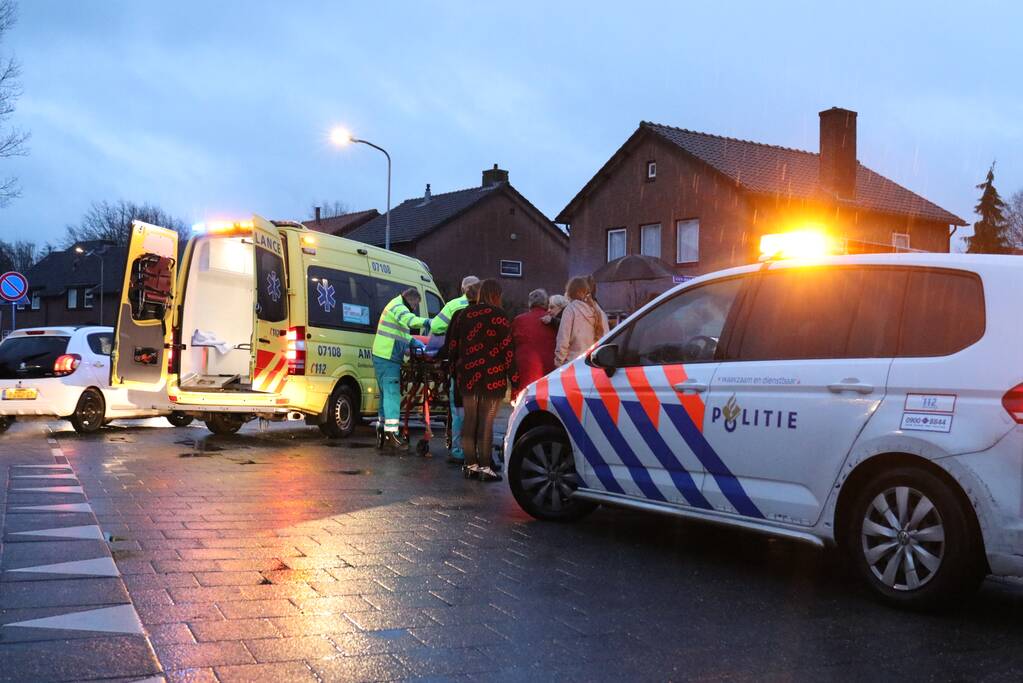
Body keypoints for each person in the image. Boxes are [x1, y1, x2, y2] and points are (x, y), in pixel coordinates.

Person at [447, 279, 516, 482]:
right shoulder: (499, 316)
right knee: (486, 421)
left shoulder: (464, 315)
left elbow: (453, 345)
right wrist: (515, 378)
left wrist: (454, 370)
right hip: (492, 376)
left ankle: (470, 466)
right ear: (496, 295)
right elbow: (508, 350)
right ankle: (485, 468)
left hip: (468, 375)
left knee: (470, 420)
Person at [427, 276, 480, 465]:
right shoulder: (489, 309)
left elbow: (435, 326)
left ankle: (458, 450)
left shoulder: (454, 307)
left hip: (460, 366)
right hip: (482, 369)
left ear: (463, 289)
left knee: (458, 411)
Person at [371, 287, 430, 451]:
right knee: (392, 395)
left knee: (385, 396)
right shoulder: (399, 307)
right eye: (416, 305)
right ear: (411, 300)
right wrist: (427, 322)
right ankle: (392, 434)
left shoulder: (395, 305)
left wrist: (412, 342)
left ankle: (382, 430)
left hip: (382, 356)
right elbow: (411, 321)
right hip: (388, 357)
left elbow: (400, 333)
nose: (415, 308)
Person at [554, 276, 610, 367]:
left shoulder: (570, 310)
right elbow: (606, 339)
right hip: (596, 365)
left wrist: (558, 363)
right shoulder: (600, 312)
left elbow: (563, 340)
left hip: (573, 365)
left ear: (570, 293)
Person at [512, 288, 557, 391]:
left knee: (523, 402)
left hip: (525, 369)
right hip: (549, 369)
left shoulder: (519, 320)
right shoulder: (552, 321)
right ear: (546, 303)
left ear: (530, 303)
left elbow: (511, 344)